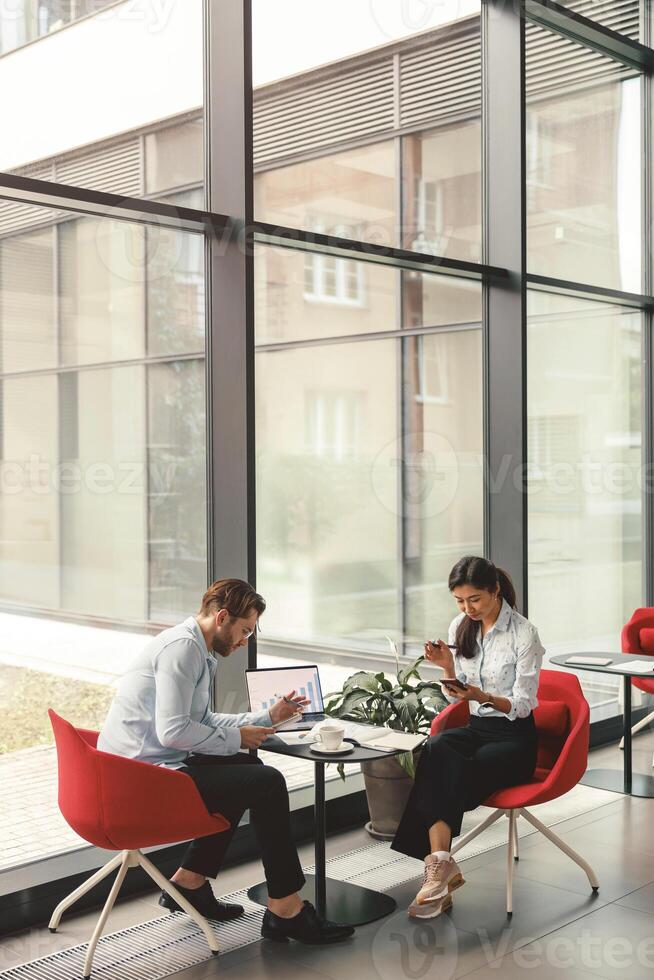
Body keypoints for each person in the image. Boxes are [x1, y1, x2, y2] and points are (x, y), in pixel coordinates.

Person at [98, 577, 354, 945]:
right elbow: (173, 732)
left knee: (249, 769)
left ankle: (190, 881)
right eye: (245, 630)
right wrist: (237, 737)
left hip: (150, 769)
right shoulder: (182, 650)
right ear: (222, 617)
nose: (245, 641)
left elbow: (200, 723)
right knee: (266, 782)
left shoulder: (198, 650)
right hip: (137, 782)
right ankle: (287, 909)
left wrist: (267, 717)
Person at [391, 556, 544, 920]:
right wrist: (446, 667)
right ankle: (442, 866)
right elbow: (456, 694)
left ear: (495, 590)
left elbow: (524, 704)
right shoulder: (461, 625)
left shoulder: (524, 633)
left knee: (449, 767)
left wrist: (483, 696)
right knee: (439, 747)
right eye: (459, 601)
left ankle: (438, 871)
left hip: (515, 739)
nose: (466, 608)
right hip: (478, 729)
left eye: (474, 599)